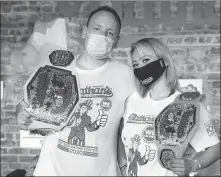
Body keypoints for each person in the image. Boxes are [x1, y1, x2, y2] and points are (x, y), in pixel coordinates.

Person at [17, 6, 196, 176]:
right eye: (97, 28)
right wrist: (23, 116)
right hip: (51, 171)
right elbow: (31, 110)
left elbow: (156, 97)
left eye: (110, 33)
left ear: (116, 41)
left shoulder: (126, 74)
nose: (103, 36)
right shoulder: (57, 68)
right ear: (85, 32)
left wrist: (182, 95)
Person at [118, 38, 220, 176]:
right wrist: (124, 166)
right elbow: (121, 136)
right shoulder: (132, 100)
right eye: (135, 64)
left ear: (164, 60)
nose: (140, 67)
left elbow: (215, 147)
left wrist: (193, 165)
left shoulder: (187, 104)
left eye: (146, 60)